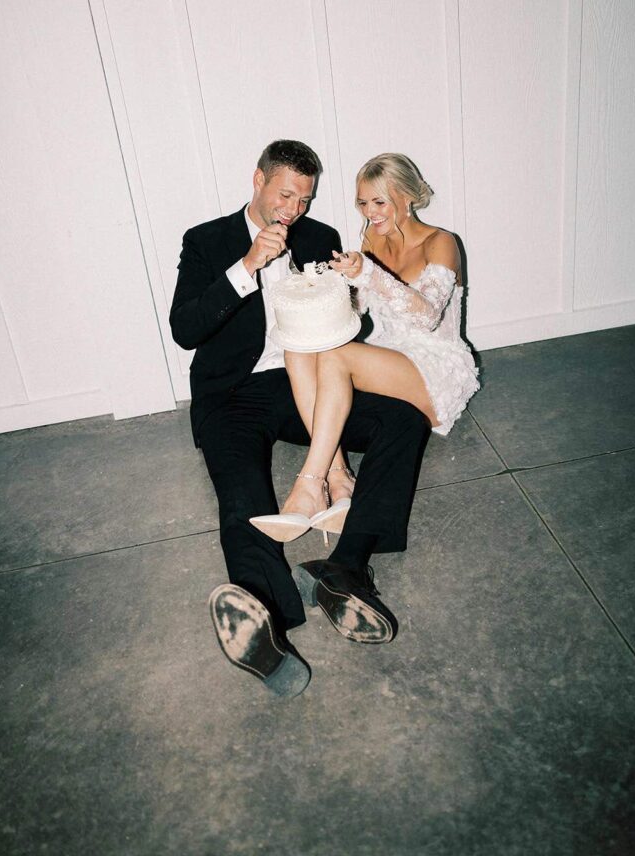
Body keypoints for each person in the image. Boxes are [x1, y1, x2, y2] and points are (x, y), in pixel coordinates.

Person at [169, 141, 429, 699]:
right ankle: (265, 621)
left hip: (303, 384)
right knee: (244, 498)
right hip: (232, 394)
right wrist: (247, 267)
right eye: (285, 194)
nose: (293, 209)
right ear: (258, 179)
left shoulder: (318, 238)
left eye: (304, 199)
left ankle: (347, 569)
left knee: (403, 421)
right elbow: (186, 329)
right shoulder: (207, 240)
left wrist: (351, 293)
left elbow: (345, 329)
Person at [250, 152, 479, 555]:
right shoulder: (372, 239)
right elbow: (360, 311)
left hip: (436, 367)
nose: (369, 213)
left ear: (407, 198)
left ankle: (310, 484)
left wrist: (368, 274)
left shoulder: (441, 242)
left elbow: (426, 316)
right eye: (362, 203)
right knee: (302, 348)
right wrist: (332, 287)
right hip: (389, 357)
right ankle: (339, 482)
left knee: (336, 358)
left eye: (379, 202)